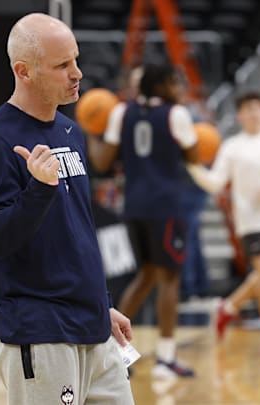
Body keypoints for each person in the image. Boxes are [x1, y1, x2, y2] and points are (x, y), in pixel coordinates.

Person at [0, 13, 134, 405]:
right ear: (24, 71)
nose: (77, 73)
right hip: (41, 333)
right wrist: (38, 191)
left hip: (92, 326)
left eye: (75, 60)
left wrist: (100, 303)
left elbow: (76, 230)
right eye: (62, 65)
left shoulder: (67, 130)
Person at [89, 64, 200, 378]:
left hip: (133, 206)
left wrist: (89, 127)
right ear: (160, 85)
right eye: (174, 82)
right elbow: (194, 156)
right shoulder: (175, 114)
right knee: (170, 279)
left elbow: (101, 161)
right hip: (165, 207)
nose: (179, 89)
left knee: (147, 275)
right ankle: (165, 359)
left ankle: (117, 354)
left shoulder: (121, 113)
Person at [186, 91, 260, 345]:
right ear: (240, 115)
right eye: (248, 109)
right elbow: (216, 183)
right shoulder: (231, 147)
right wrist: (193, 167)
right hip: (249, 221)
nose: (254, 114)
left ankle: (228, 307)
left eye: (258, 108)